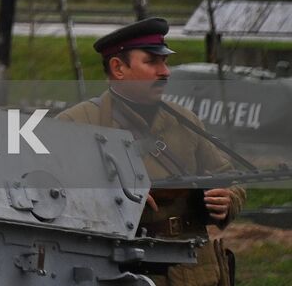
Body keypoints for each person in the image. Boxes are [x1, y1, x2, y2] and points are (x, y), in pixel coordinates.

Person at [57, 17, 243, 286]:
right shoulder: (77, 123)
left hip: (193, 271)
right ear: (118, 68)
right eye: (152, 62)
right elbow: (50, 194)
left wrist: (227, 199)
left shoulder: (186, 121)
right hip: (119, 270)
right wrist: (115, 198)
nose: (165, 71)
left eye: (165, 62)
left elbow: (230, 178)